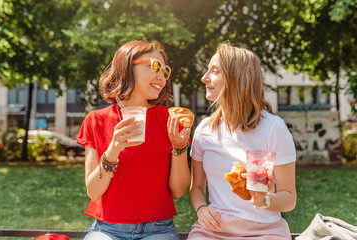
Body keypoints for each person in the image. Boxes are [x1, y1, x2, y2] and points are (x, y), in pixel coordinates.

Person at [76, 40, 191, 240]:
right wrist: (113, 149)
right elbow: (93, 192)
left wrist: (179, 148)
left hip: (159, 229)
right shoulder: (96, 120)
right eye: (154, 66)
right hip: (107, 229)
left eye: (165, 70)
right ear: (127, 66)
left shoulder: (171, 120)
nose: (161, 76)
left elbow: (179, 190)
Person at [188, 42, 297, 240]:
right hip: (213, 231)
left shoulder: (273, 128)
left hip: (264, 231)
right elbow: (196, 188)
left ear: (238, 78)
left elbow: (289, 198)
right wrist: (202, 209)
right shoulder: (204, 130)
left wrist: (263, 200)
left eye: (214, 71)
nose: (204, 78)